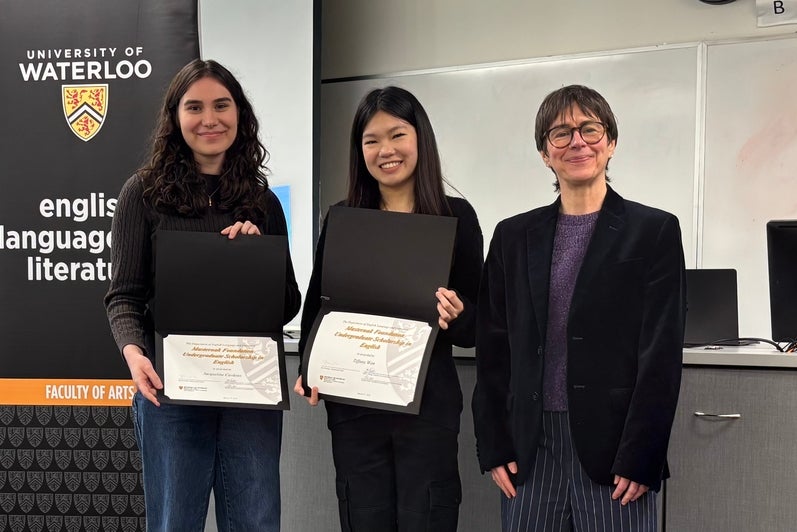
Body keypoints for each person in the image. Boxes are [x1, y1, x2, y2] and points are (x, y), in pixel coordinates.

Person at [472, 84, 686, 532]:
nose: (577, 142)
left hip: (615, 455)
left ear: (610, 142)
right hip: (530, 450)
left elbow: (660, 356)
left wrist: (641, 454)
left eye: (590, 129)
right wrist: (494, 447)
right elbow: (494, 351)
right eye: (560, 134)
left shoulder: (654, 231)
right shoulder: (512, 237)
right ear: (545, 153)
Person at [104, 59, 301, 532]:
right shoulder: (142, 194)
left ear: (240, 115)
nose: (209, 119)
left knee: (255, 520)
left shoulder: (263, 202)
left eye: (221, 105)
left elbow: (289, 303)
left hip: (248, 391)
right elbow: (123, 297)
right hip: (172, 391)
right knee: (174, 522)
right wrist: (134, 353)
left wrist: (258, 262)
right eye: (195, 107)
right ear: (175, 117)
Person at [295, 86, 483, 531]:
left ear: (420, 139)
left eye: (397, 135)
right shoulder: (342, 217)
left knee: (428, 517)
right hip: (355, 410)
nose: (386, 150)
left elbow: (478, 327)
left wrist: (458, 315)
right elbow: (318, 305)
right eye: (371, 140)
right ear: (359, 150)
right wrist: (309, 366)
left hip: (427, 410)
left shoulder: (456, 217)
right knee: (364, 518)